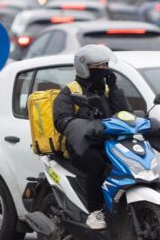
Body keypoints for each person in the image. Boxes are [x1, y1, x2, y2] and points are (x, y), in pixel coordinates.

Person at [53, 44, 132, 230]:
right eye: (98, 66)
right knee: (96, 163)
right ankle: (95, 211)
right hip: (80, 145)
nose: (103, 70)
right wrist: (87, 123)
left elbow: (124, 114)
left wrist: (114, 89)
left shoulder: (104, 90)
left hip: (108, 141)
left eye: (105, 66)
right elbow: (61, 120)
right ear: (84, 67)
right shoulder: (71, 91)